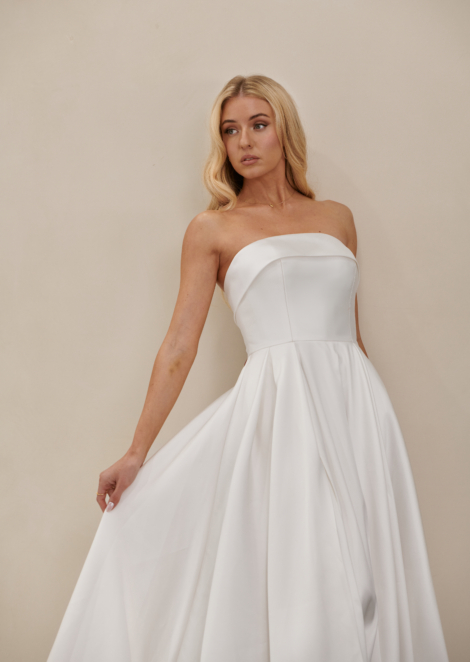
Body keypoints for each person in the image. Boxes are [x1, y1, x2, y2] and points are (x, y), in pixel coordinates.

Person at [47, 75, 449, 662]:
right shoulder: (212, 228)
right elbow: (179, 345)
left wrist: (373, 420)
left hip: (357, 405)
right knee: (303, 558)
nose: (244, 141)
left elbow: (352, 334)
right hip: (279, 410)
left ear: (284, 129)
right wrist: (136, 451)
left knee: (364, 564)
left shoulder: (337, 218)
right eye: (230, 130)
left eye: (259, 124)